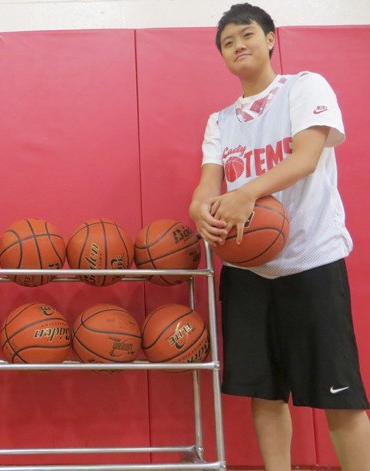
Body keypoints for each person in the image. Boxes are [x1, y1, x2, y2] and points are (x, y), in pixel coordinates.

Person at [189, 3, 370, 470]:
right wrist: (200, 207)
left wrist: (247, 192)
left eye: (246, 35)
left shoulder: (304, 87)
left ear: (270, 39)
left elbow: (306, 157)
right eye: (227, 43)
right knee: (264, 392)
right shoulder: (219, 121)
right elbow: (209, 182)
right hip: (249, 269)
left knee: (340, 394)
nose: (238, 46)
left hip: (312, 260)